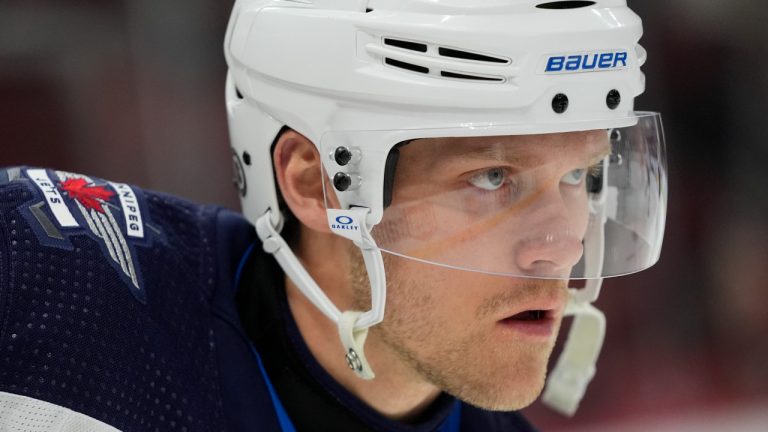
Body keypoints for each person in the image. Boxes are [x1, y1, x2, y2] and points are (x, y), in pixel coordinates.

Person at [0, 0, 667, 431]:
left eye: (580, 174)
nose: (558, 247)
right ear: (315, 183)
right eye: (491, 177)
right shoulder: (55, 290)